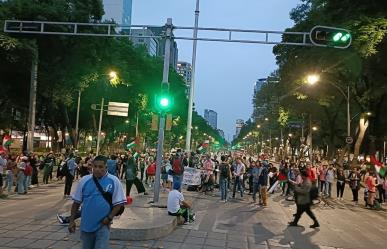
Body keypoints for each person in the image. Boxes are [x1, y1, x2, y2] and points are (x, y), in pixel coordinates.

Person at [68, 155, 126, 249]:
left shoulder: (114, 181)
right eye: (95, 166)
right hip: (86, 225)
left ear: (106, 167)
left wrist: (109, 218)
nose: (97, 169)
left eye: (100, 167)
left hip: (103, 225)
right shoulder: (84, 180)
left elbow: (119, 203)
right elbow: (76, 203)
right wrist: (71, 221)